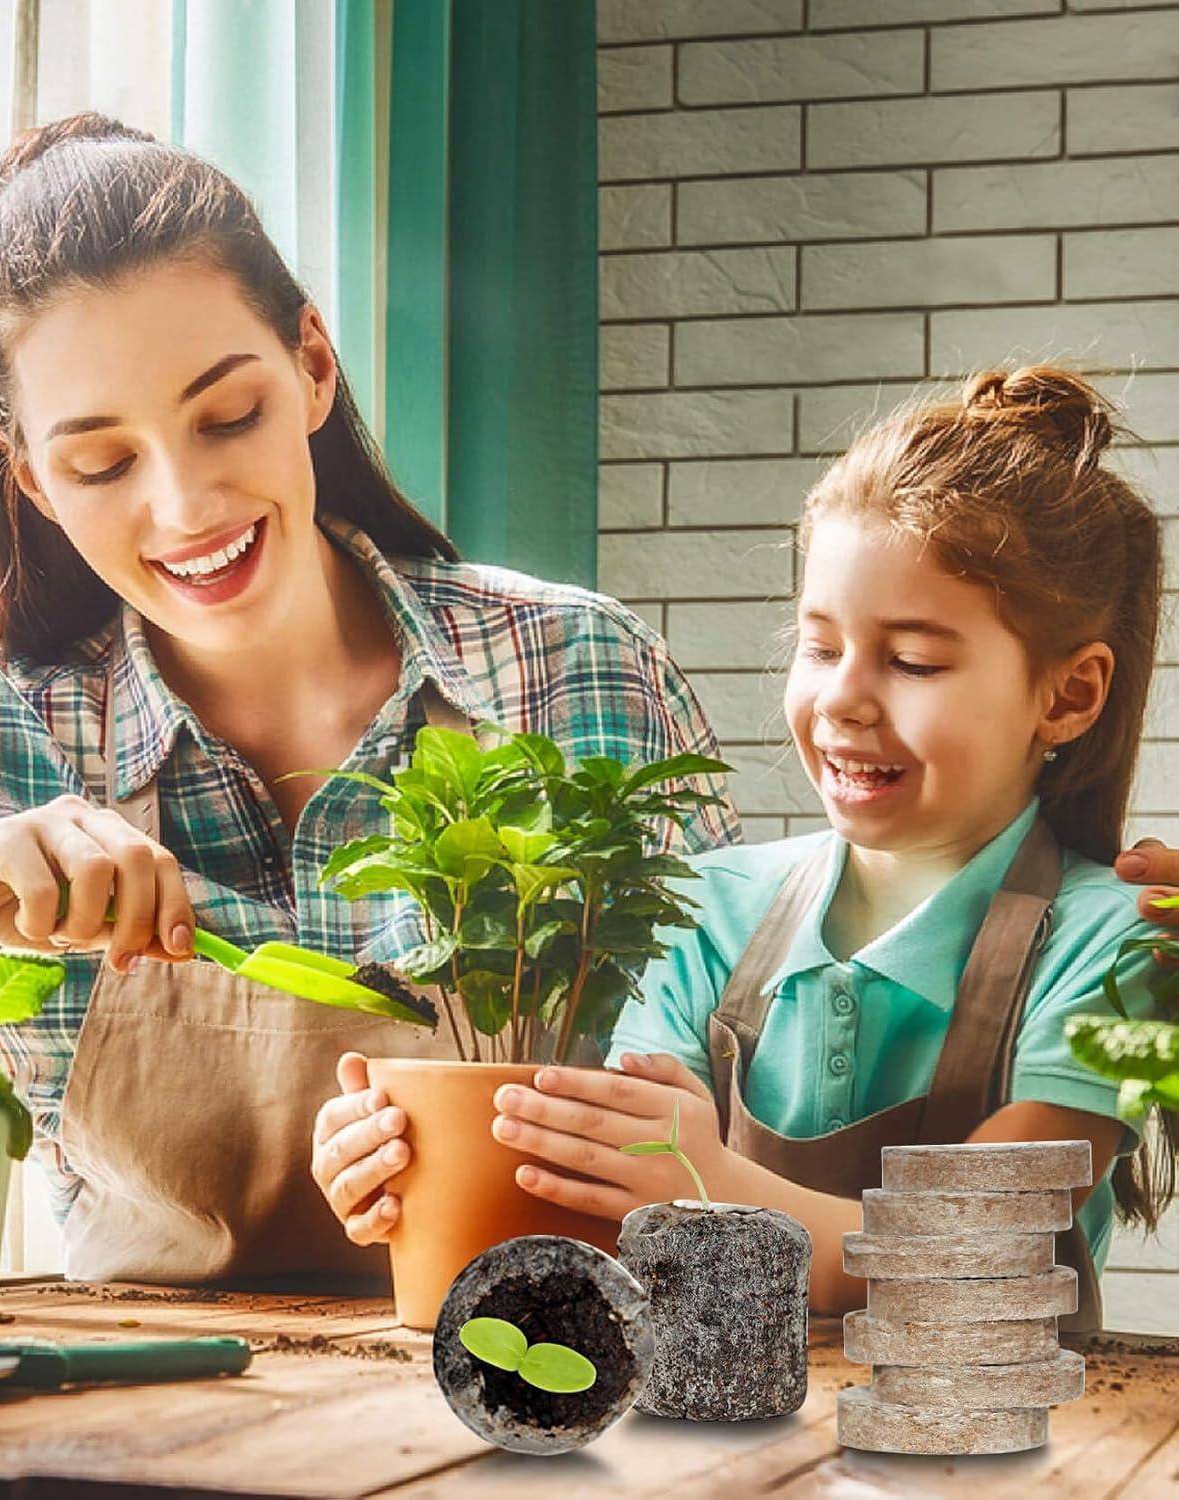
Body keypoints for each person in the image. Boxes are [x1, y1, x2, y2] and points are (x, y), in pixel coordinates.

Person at [0, 112, 737, 1290]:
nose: (185, 506)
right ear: (32, 476)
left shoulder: (573, 674)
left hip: (542, 1394)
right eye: (102, 463)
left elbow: (748, 1109)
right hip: (151, 1430)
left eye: (226, 415)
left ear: (313, 367)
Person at [314, 365, 1176, 1328]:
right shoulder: (706, 906)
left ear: (1068, 696)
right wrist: (399, 1165)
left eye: (913, 661)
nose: (843, 697)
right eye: (819, 646)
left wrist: (714, 1185)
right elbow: (604, 1212)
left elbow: (991, 1243)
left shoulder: (1119, 945)